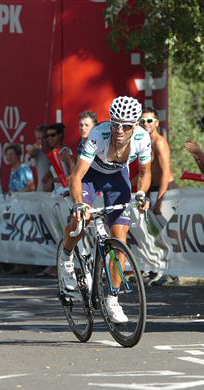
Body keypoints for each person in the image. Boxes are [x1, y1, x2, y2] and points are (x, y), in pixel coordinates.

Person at [58, 96, 151, 323]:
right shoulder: (99, 135)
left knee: (120, 238)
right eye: (115, 123)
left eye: (126, 126)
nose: (119, 130)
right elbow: (77, 176)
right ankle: (66, 258)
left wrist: (141, 193)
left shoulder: (142, 138)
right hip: (90, 175)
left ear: (135, 126)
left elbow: (146, 172)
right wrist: (79, 204)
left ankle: (112, 299)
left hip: (117, 178)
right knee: (79, 221)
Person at [138, 107, 177, 286]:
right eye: (143, 121)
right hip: (151, 191)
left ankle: (172, 275)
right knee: (154, 235)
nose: (146, 124)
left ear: (157, 123)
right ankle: (158, 271)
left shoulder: (159, 142)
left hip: (163, 191)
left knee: (166, 235)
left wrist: (160, 199)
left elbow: (166, 171)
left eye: (149, 121)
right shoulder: (144, 142)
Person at [44, 123, 74, 191]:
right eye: (47, 136)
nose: (49, 138)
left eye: (53, 135)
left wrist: (53, 180)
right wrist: (46, 179)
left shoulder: (66, 153)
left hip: (67, 194)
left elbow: (74, 176)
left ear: (60, 135)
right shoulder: (53, 154)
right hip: (57, 193)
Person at [26, 124, 51, 192]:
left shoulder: (57, 151)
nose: (42, 141)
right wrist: (33, 149)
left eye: (44, 138)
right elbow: (28, 156)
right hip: (41, 192)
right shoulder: (38, 152)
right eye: (38, 138)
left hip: (56, 193)